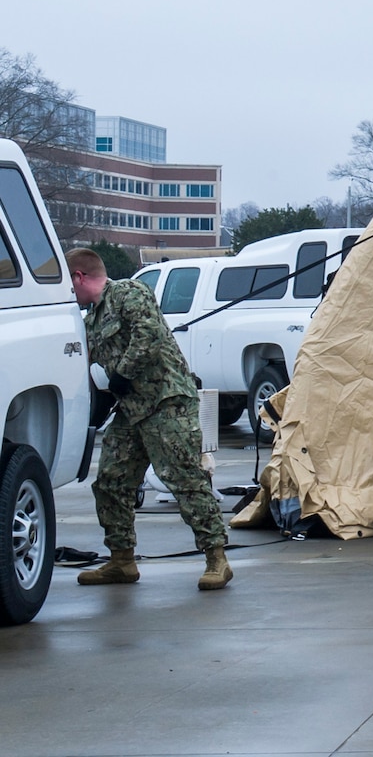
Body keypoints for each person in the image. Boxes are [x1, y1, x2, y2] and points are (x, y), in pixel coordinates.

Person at [67, 248, 233, 589]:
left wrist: (123, 374)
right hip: (131, 411)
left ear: (79, 277)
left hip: (166, 403)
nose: (70, 296)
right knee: (111, 483)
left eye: (70, 287)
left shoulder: (129, 292)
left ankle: (217, 558)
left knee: (185, 480)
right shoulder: (91, 320)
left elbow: (149, 335)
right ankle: (121, 560)